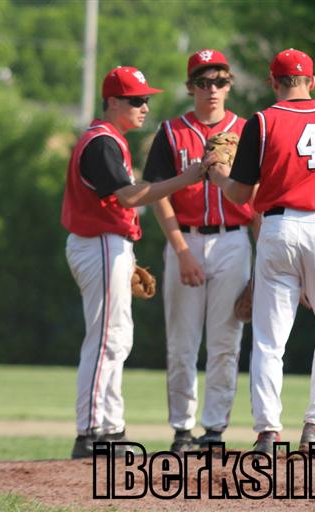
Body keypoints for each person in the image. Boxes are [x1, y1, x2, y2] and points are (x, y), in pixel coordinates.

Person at [207, 48, 315, 454]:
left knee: (269, 340)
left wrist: (220, 176)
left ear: (273, 82)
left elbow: (241, 194)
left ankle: (268, 433)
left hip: (277, 227)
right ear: (312, 82)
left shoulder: (262, 121)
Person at [62, 66, 206, 459]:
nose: (145, 106)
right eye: (136, 100)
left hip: (109, 244)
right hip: (99, 244)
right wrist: (186, 178)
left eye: (146, 99)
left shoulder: (111, 140)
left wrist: (126, 251)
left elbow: (118, 202)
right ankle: (90, 432)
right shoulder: (101, 142)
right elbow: (128, 197)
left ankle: (110, 429)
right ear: (112, 102)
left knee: (118, 338)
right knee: (106, 340)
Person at [143, 49, 258, 454]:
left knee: (227, 341)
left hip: (233, 239)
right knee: (182, 343)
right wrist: (180, 251)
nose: (212, 89)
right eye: (204, 82)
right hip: (186, 239)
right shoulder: (171, 132)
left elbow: (259, 198)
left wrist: (262, 264)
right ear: (190, 86)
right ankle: (182, 429)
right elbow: (157, 194)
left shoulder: (247, 131)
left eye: (220, 81)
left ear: (230, 85)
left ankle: (214, 430)